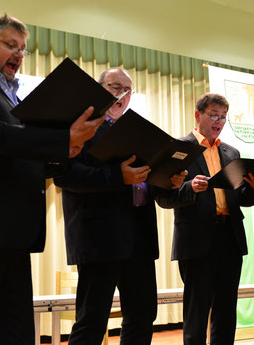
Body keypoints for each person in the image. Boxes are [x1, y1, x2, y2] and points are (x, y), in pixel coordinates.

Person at [0, 14, 102, 345]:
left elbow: (23, 157)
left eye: (23, 49)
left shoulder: (15, 98)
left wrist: (67, 151)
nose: (18, 54)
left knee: (14, 335)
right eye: (11, 46)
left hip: (13, 237)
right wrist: (61, 141)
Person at [54, 67, 187, 345]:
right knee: (92, 321)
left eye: (128, 90)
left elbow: (145, 181)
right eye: (115, 86)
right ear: (99, 88)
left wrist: (167, 181)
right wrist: (118, 176)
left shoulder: (137, 132)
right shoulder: (83, 126)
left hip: (139, 236)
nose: (122, 95)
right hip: (100, 237)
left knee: (142, 316)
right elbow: (65, 176)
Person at [155, 93, 254, 345]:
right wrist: (189, 188)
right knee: (197, 311)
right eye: (214, 115)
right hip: (196, 239)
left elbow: (242, 198)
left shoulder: (231, 152)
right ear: (198, 116)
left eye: (223, 117)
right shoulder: (179, 148)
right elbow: (164, 197)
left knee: (227, 310)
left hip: (229, 236)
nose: (219, 121)